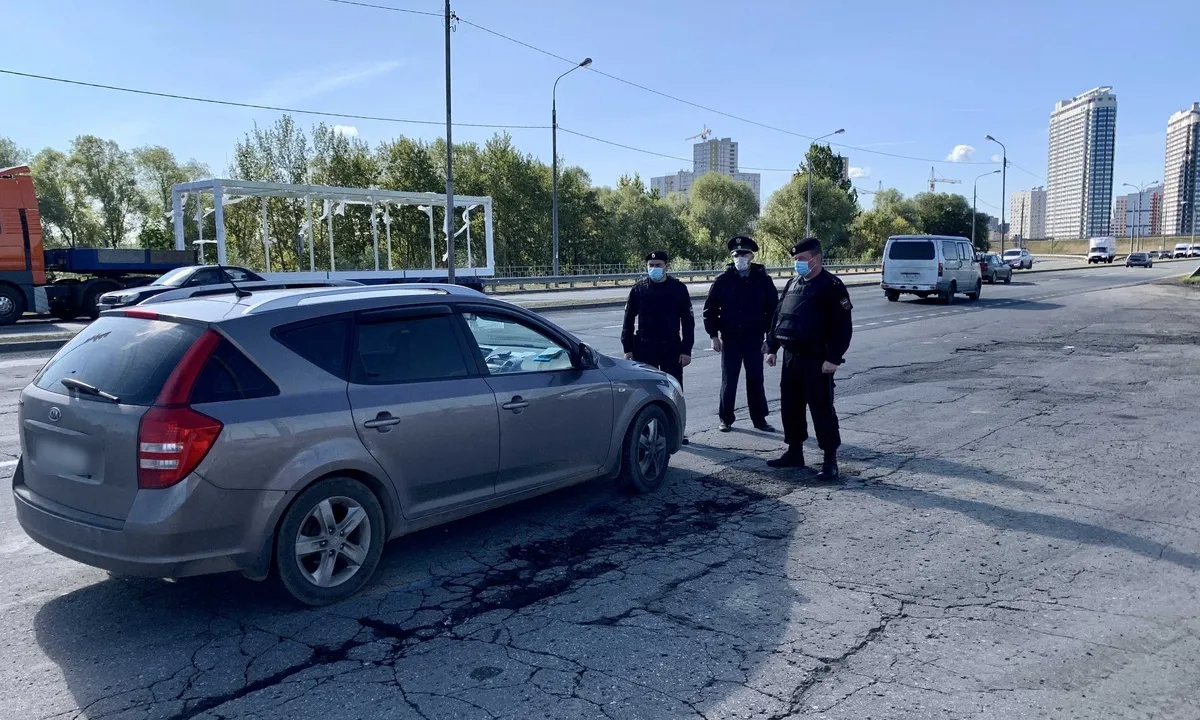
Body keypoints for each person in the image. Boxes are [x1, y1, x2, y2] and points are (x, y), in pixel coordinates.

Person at [764, 237, 853, 480]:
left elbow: (843, 327)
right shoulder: (792, 283)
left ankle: (830, 460)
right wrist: (772, 347)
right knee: (790, 408)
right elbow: (779, 317)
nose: (797, 264)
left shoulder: (832, 286)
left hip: (818, 360)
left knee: (822, 410)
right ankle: (795, 452)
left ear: (816, 258)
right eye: (795, 259)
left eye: (801, 259)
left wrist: (834, 357)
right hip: (791, 359)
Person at [703, 235, 779, 433]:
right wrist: (713, 336)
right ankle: (726, 419)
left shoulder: (763, 280)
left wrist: (770, 340)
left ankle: (759, 419)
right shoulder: (723, 280)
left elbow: (773, 312)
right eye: (736, 254)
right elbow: (710, 310)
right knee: (729, 381)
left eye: (744, 254)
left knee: (756, 380)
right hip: (731, 339)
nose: (740, 258)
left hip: (755, 339)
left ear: (752, 256)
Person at [622, 250, 695, 443]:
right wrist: (627, 348)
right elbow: (628, 320)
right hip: (645, 348)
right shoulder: (638, 289)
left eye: (658, 265)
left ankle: (676, 432)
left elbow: (688, 322)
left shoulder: (678, 289)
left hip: (671, 347)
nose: (654, 268)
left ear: (666, 267)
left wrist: (686, 350)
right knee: (645, 392)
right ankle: (646, 432)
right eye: (651, 265)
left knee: (674, 391)